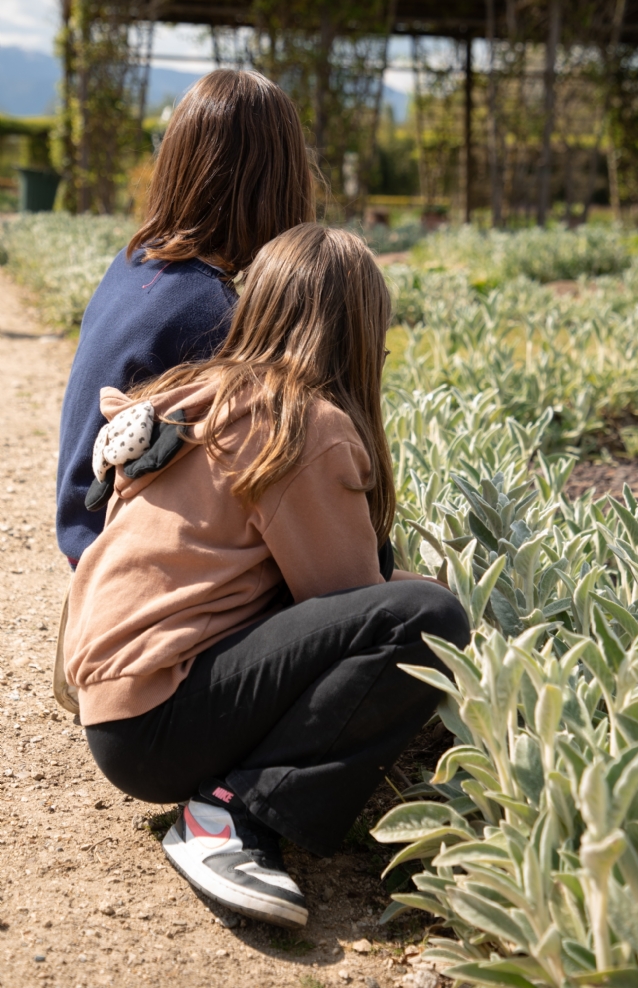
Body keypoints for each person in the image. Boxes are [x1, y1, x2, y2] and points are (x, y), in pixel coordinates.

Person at [63, 224, 470, 930]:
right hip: (157, 721)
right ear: (358, 332)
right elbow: (349, 604)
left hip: (114, 700)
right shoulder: (304, 425)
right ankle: (230, 817)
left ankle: (228, 802)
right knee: (428, 620)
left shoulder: (199, 392)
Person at [56, 69, 314, 569]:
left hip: (86, 541)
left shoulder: (135, 262)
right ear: (276, 184)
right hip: (130, 568)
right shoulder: (209, 312)